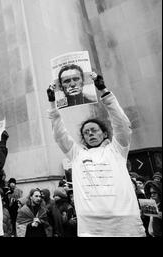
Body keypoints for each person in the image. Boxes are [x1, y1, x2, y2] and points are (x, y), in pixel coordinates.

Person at [47, 72, 146, 237]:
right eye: (86, 132)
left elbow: (121, 124)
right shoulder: (76, 154)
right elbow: (59, 134)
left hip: (125, 225)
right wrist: (52, 103)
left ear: (104, 134)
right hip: (91, 227)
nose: (90, 134)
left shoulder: (117, 150)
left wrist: (104, 92)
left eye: (94, 130)